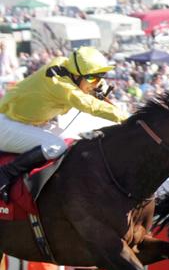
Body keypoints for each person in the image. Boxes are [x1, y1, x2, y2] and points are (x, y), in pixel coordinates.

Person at [0, 47, 127, 201]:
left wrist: (95, 84)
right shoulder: (59, 84)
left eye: (99, 78)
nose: (97, 83)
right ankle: (5, 173)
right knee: (56, 145)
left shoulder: (68, 67)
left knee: (74, 142)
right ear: (76, 75)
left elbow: (87, 83)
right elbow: (89, 105)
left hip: (28, 122)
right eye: (93, 79)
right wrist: (127, 118)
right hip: (7, 124)